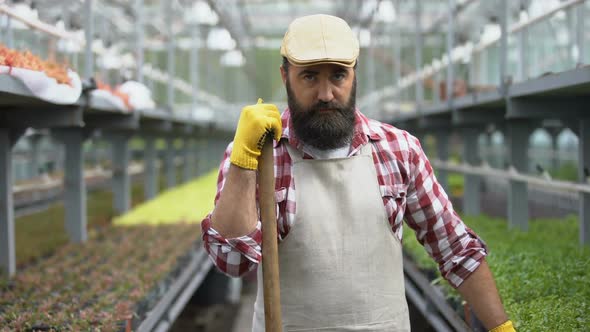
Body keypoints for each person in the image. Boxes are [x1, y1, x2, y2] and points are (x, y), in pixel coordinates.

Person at [201, 14, 515, 332]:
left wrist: (501, 327)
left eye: (338, 76)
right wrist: (244, 164)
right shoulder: (263, 155)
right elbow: (233, 261)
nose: (326, 93)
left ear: (354, 75)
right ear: (285, 77)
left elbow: (455, 249)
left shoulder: (398, 149)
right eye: (309, 77)